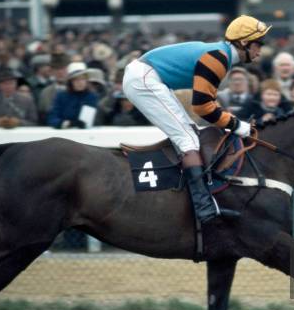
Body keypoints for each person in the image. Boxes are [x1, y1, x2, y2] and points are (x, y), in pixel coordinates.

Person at [123, 15, 270, 224]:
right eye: (259, 44)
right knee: (188, 140)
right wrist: (238, 126)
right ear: (244, 42)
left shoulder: (221, 55)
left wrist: (233, 122)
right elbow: (202, 107)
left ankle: (191, 194)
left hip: (146, 75)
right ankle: (203, 206)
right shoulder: (218, 58)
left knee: (190, 133)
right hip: (143, 78)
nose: (260, 51)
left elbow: (206, 105)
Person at [48, 62, 98, 129]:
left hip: (85, 134)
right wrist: (65, 123)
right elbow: (52, 118)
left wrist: (80, 123)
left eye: (83, 79)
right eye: (76, 79)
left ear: (87, 81)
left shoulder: (91, 96)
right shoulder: (61, 96)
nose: (80, 82)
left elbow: (88, 121)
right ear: (70, 82)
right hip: (63, 132)